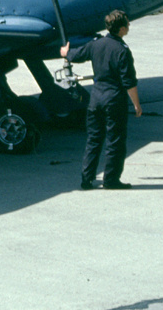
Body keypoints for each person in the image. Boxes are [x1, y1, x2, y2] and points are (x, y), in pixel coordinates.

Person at [61, 10, 142, 190]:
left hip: (95, 99)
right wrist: (136, 104)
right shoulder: (122, 50)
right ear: (121, 29)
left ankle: (86, 178)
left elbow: (76, 55)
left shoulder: (96, 44)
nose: (129, 26)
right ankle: (111, 179)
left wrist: (66, 52)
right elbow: (129, 82)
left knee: (93, 139)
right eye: (127, 24)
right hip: (114, 101)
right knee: (115, 141)